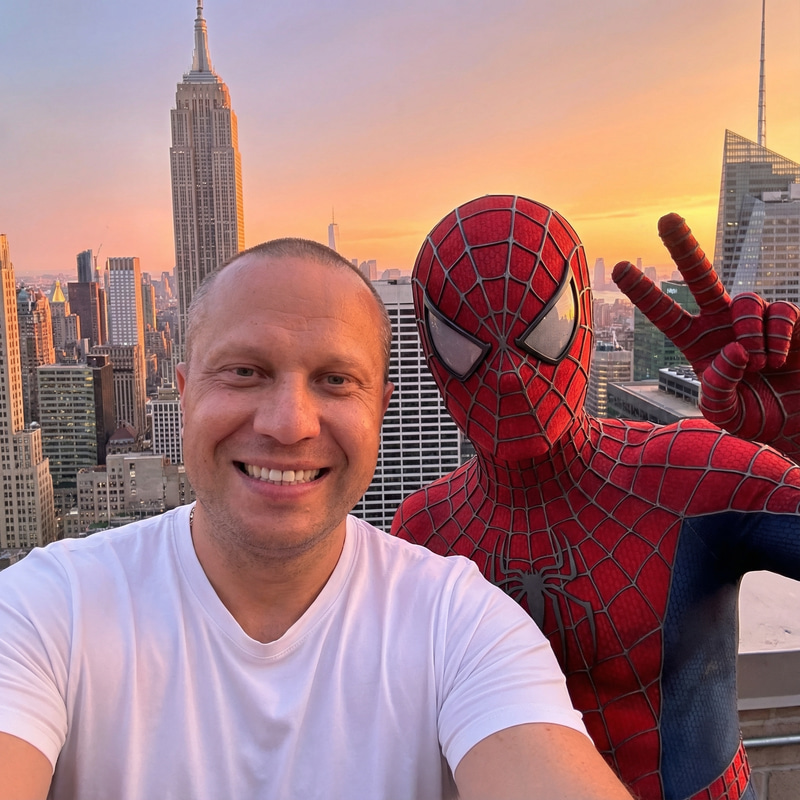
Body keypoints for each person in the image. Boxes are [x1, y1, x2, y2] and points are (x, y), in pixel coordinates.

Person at [0, 238, 632, 800]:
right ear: (186, 392)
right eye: (245, 372)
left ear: (381, 409)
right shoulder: (47, 612)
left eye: (334, 380)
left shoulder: (462, 626)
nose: (288, 423)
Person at [392, 195, 800, 800]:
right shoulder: (423, 528)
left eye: (542, 332)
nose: (507, 373)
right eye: (465, 345)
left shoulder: (689, 473)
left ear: (580, 318)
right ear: (430, 349)